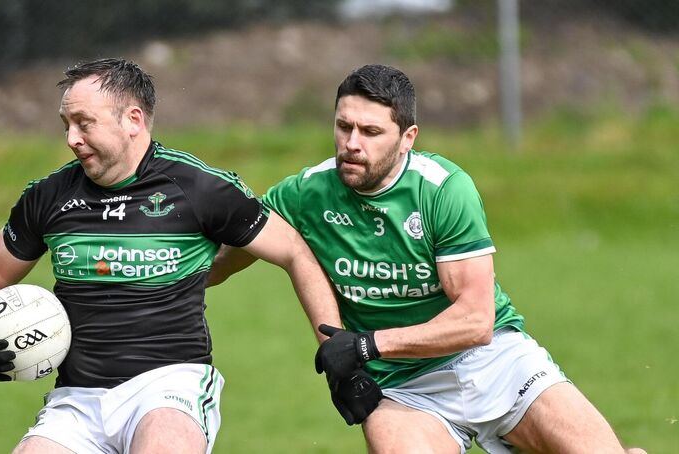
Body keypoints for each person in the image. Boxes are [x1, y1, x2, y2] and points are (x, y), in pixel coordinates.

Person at [210, 64, 646, 453]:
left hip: (496, 362)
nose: (351, 144)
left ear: (407, 138)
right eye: (344, 127)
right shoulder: (307, 192)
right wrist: (156, 275)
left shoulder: (443, 190)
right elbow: (230, 256)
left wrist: (366, 346)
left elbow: (476, 322)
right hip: (404, 388)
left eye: (371, 132)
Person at [0, 57, 350, 454]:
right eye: (66, 125)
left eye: (85, 123)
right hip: (76, 400)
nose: (71, 139)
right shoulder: (48, 197)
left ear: (133, 120)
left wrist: (335, 347)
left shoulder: (198, 187)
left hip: (170, 387)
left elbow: (294, 250)